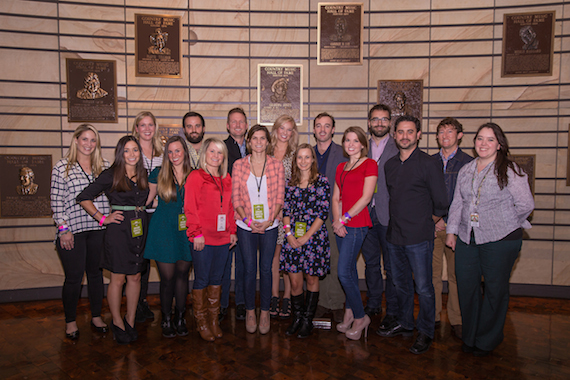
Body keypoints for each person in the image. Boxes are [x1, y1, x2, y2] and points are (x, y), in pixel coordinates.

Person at [446, 123, 534, 357]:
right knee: (467, 288)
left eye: (490, 139)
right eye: (479, 139)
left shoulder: (510, 169)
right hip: (467, 238)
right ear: (474, 143)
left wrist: (505, 223)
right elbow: (457, 203)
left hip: (501, 239)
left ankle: (487, 340)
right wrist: (451, 231)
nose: (483, 144)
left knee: (495, 291)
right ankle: (471, 335)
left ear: (499, 144)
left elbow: (526, 204)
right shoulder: (466, 169)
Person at [378, 115, 448, 355]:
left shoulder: (429, 163)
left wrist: (427, 223)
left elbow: (441, 202)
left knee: (424, 288)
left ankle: (426, 331)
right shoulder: (389, 165)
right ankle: (406, 323)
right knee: (400, 284)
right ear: (395, 135)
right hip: (394, 236)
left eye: (410, 132)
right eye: (400, 132)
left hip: (419, 238)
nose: (405, 136)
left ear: (418, 135)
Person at [77, 136, 151, 345]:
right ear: (120, 153)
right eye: (126, 150)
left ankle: (130, 319)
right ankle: (117, 321)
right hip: (118, 232)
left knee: (135, 277)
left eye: (135, 150)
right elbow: (84, 197)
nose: (132, 154)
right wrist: (102, 218)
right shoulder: (111, 174)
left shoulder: (143, 174)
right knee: (117, 279)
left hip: (139, 229)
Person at [50, 124, 110, 339]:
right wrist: (63, 229)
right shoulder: (62, 167)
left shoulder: (104, 166)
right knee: (74, 278)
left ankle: (96, 316)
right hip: (72, 232)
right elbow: (56, 202)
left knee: (95, 275)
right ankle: (70, 321)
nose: (89, 144)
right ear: (76, 141)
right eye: (84, 139)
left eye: (93, 140)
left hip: (98, 230)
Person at [232, 125, 285, 334]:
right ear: (249, 141)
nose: (259, 142)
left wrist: (270, 219)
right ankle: (250, 310)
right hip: (245, 225)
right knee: (248, 269)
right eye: (255, 138)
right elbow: (235, 197)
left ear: (267, 141)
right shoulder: (238, 165)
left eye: (263, 138)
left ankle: (264, 311)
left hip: (270, 224)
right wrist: (247, 219)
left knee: (265, 269)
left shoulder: (276, 165)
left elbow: (280, 196)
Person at [185, 138, 237, 341]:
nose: (216, 156)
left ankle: (214, 320)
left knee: (218, 279)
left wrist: (232, 230)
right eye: (212, 151)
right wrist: (195, 233)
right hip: (202, 239)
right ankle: (201, 321)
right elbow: (190, 207)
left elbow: (230, 207)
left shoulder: (227, 178)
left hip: (223, 238)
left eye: (220, 152)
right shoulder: (196, 177)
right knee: (202, 279)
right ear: (204, 153)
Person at [144, 136, 193, 338]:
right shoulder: (158, 173)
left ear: (185, 152)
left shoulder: (195, 175)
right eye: (170, 152)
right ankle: (165, 319)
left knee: (182, 276)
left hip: (186, 230)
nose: (174, 155)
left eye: (178, 151)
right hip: (163, 230)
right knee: (167, 278)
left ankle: (180, 318)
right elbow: (146, 200)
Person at [332, 126, 378, 340]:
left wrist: (344, 219)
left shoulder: (370, 164)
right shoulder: (341, 166)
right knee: (349, 270)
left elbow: (366, 198)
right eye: (347, 140)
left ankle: (361, 317)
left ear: (362, 144)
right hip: (341, 225)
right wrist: (336, 221)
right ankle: (350, 313)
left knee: (343, 272)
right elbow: (335, 197)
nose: (351, 144)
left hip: (357, 224)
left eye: (355, 140)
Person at [281, 144, 330, 338]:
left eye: (307, 157)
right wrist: (289, 235)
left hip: (314, 238)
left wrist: (306, 236)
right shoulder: (289, 183)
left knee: (311, 278)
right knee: (294, 283)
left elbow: (322, 212)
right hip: (292, 238)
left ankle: (307, 321)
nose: (303, 161)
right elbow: (285, 212)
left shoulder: (322, 182)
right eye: (300, 157)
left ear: (313, 160)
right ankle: (297, 318)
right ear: (295, 161)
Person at [431, 117, 473, 339]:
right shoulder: (429, 162)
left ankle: (457, 319)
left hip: (458, 229)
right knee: (432, 274)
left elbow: (471, 198)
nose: (445, 136)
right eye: (441, 132)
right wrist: (434, 218)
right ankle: (434, 317)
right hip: (433, 226)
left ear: (459, 135)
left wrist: (452, 223)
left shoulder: (470, 163)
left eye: (450, 131)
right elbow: (422, 194)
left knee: (457, 276)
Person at [360, 104, 399, 325]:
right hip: (365, 213)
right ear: (369, 122)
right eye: (375, 119)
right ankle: (374, 303)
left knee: (391, 266)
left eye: (384, 119)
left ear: (390, 122)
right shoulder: (360, 145)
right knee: (371, 263)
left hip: (388, 214)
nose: (379, 123)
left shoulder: (398, 146)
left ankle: (392, 309)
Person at [312, 113, 347, 323]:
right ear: (314, 129)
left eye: (327, 126)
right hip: (311, 216)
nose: (322, 130)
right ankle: (321, 301)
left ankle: (336, 303)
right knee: (317, 260)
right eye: (318, 126)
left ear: (333, 130)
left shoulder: (342, 153)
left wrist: (340, 216)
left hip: (334, 214)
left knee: (335, 259)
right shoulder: (307, 153)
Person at [131, 111, 163, 323]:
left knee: (158, 258)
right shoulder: (130, 151)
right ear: (136, 129)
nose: (147, 129)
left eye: (150, 124)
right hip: (137, 213)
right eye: (142, 125)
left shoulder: (162, 152)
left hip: (158, 214)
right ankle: (138, 302)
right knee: (138, 261)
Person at [268, 114, 299, 320]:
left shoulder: (295, 154)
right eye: (282, 128)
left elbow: (297, 184)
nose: (285, 133)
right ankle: (273, 295)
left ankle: (287, 296)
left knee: (288, 256)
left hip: (288, 212)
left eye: (290, 130)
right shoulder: (266, 151)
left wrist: (284, 209)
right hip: (268, 211)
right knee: (273, 256)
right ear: (276, 129)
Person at [221, 107, 248, 322]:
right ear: (228, 126)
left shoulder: (256, 147)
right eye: (233, 122)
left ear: (246, 125)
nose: (238, 125)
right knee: (223, 261)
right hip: (227, 212)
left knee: (243, 261)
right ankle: (221, 304)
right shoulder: (220, 149)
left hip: (248, 215)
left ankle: (241, 302)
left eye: (241, 121)